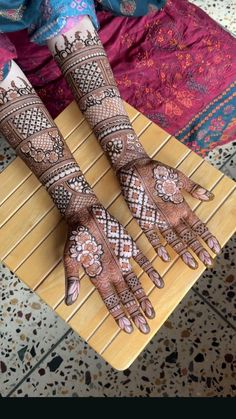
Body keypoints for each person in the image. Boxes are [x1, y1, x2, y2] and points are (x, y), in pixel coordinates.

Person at [0, 0, 221, 335]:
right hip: (19, 51)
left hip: (76, 17)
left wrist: (128, 155)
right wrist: (76, 202)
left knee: (219, 68)